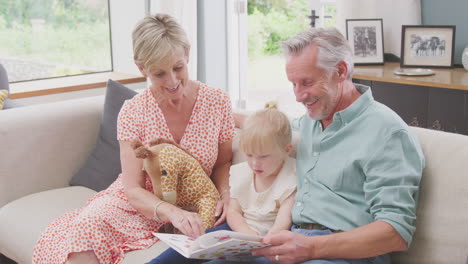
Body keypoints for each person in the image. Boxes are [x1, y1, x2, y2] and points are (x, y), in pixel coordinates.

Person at [32, 13, 235, 264]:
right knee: (84, 229)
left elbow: (223, 162)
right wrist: (169, 211)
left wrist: (225, 194)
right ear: (141, 69)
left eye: (178, 67)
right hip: (140, 205)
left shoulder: (218, 102)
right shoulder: (132, 111)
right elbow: (132, 188)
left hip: (195, 204)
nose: (172, 81)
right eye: (159, 74)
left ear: (188, 54)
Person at [248, 28, 425, 264]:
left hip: (347, 255)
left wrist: (310, 248)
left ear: (340, 71)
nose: (299, 96)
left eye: (307, 82)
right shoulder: (311, 120)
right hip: (295, 241)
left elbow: (395, 231)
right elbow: (271, 127)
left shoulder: (388, 133)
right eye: (293, 84)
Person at [149, 103, 297, 264]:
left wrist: (266, 240)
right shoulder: (242, 173)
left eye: (263, 157)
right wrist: (246, 233)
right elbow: (233, 211)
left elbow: (284, 219)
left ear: (287, 150)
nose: (255, 163)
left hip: (270, 240)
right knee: (195, 245)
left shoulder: (290, 178)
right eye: (249, 155)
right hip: (237, 232)